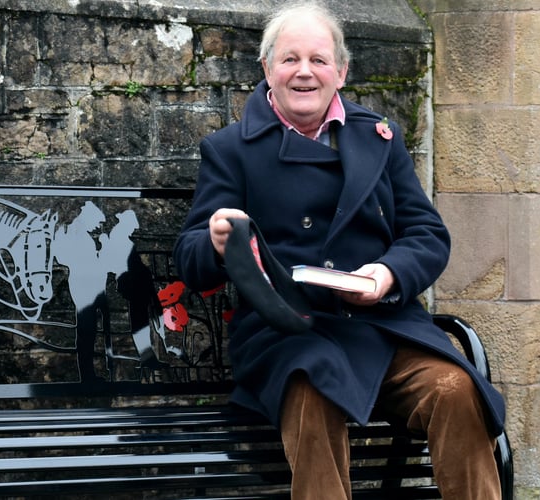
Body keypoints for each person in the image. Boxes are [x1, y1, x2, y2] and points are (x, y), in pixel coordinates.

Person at [172, 2, 506, 499]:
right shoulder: (230, 149)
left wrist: (386, 275)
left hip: (382, 328)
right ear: (266, 69)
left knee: (456, 390)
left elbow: (426, 234)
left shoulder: (379, 138)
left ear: (341, 71)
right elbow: (190, 256)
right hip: (287, 334)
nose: (304, 72)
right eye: (289, 59)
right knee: (312, 391)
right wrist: (218, 240)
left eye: (319, 60)